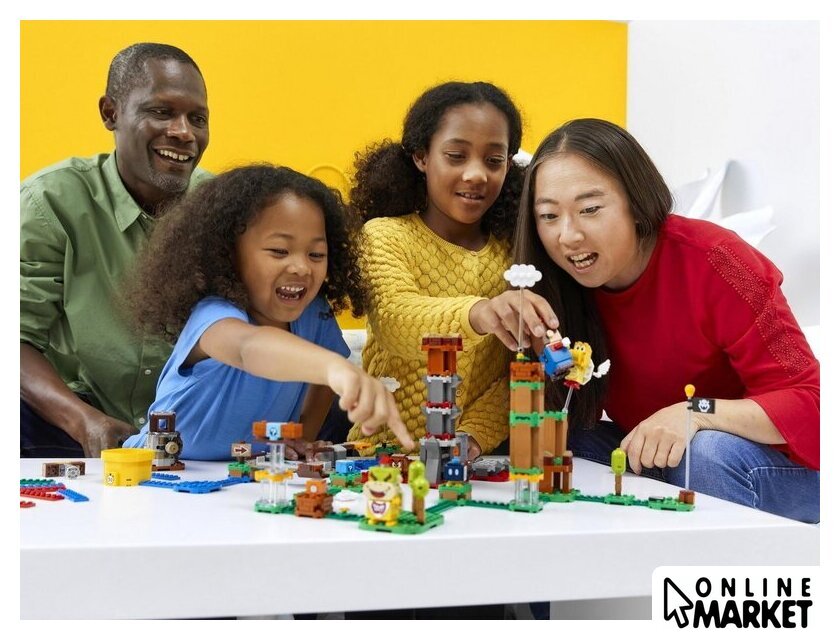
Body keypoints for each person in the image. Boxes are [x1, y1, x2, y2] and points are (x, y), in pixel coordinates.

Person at [513, 118, 819, 523]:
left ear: (636, 202)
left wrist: (695, 412)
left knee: (705, 453)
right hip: (663, 458)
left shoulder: (720, 262)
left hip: (775, 469)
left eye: (589, 210)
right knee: (558, 440)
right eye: (549, 216)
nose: (567, 236)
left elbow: (811, 404)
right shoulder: (553, 286)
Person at [122, 165, 413, 460]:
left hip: (248, 474)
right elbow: (248, 348)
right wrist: (334, 368)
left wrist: (302, 437)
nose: (301, 267)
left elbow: (322, 384)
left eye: (316, 254)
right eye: (279, 251)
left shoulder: (315, 315)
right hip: (158, 468)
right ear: (229, 254)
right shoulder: (213, 315)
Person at [344, 81, 557, 460]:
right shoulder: (385, 236)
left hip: (477, 460)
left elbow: (518, 370)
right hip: (380, 456)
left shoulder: (517, 252)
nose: (476, 175)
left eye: (494, 161)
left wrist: (472, 437)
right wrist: (480, 313)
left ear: (509, 165)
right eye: (456, 156)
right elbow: (396, 320)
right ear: (421, 156)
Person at [21, 43, 212, 458]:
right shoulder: (49, 203)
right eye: (161, 111)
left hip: (191, 420)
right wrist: (82, 420)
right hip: (68, 419)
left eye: (198, 119)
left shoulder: (219, 207)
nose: (184, 132)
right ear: (111, 113)